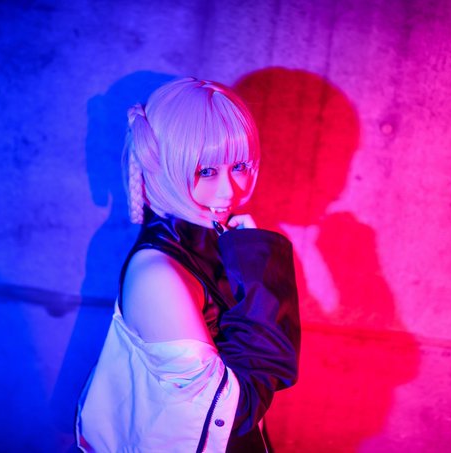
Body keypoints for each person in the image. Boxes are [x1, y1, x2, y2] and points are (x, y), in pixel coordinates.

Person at [76, 77, 301, 452]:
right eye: (206, 171)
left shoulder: (211, 239)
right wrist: (263, 275)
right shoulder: (158, 275)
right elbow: (233, 413)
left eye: (240, 166)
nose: (229, 191)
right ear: (162, 165)